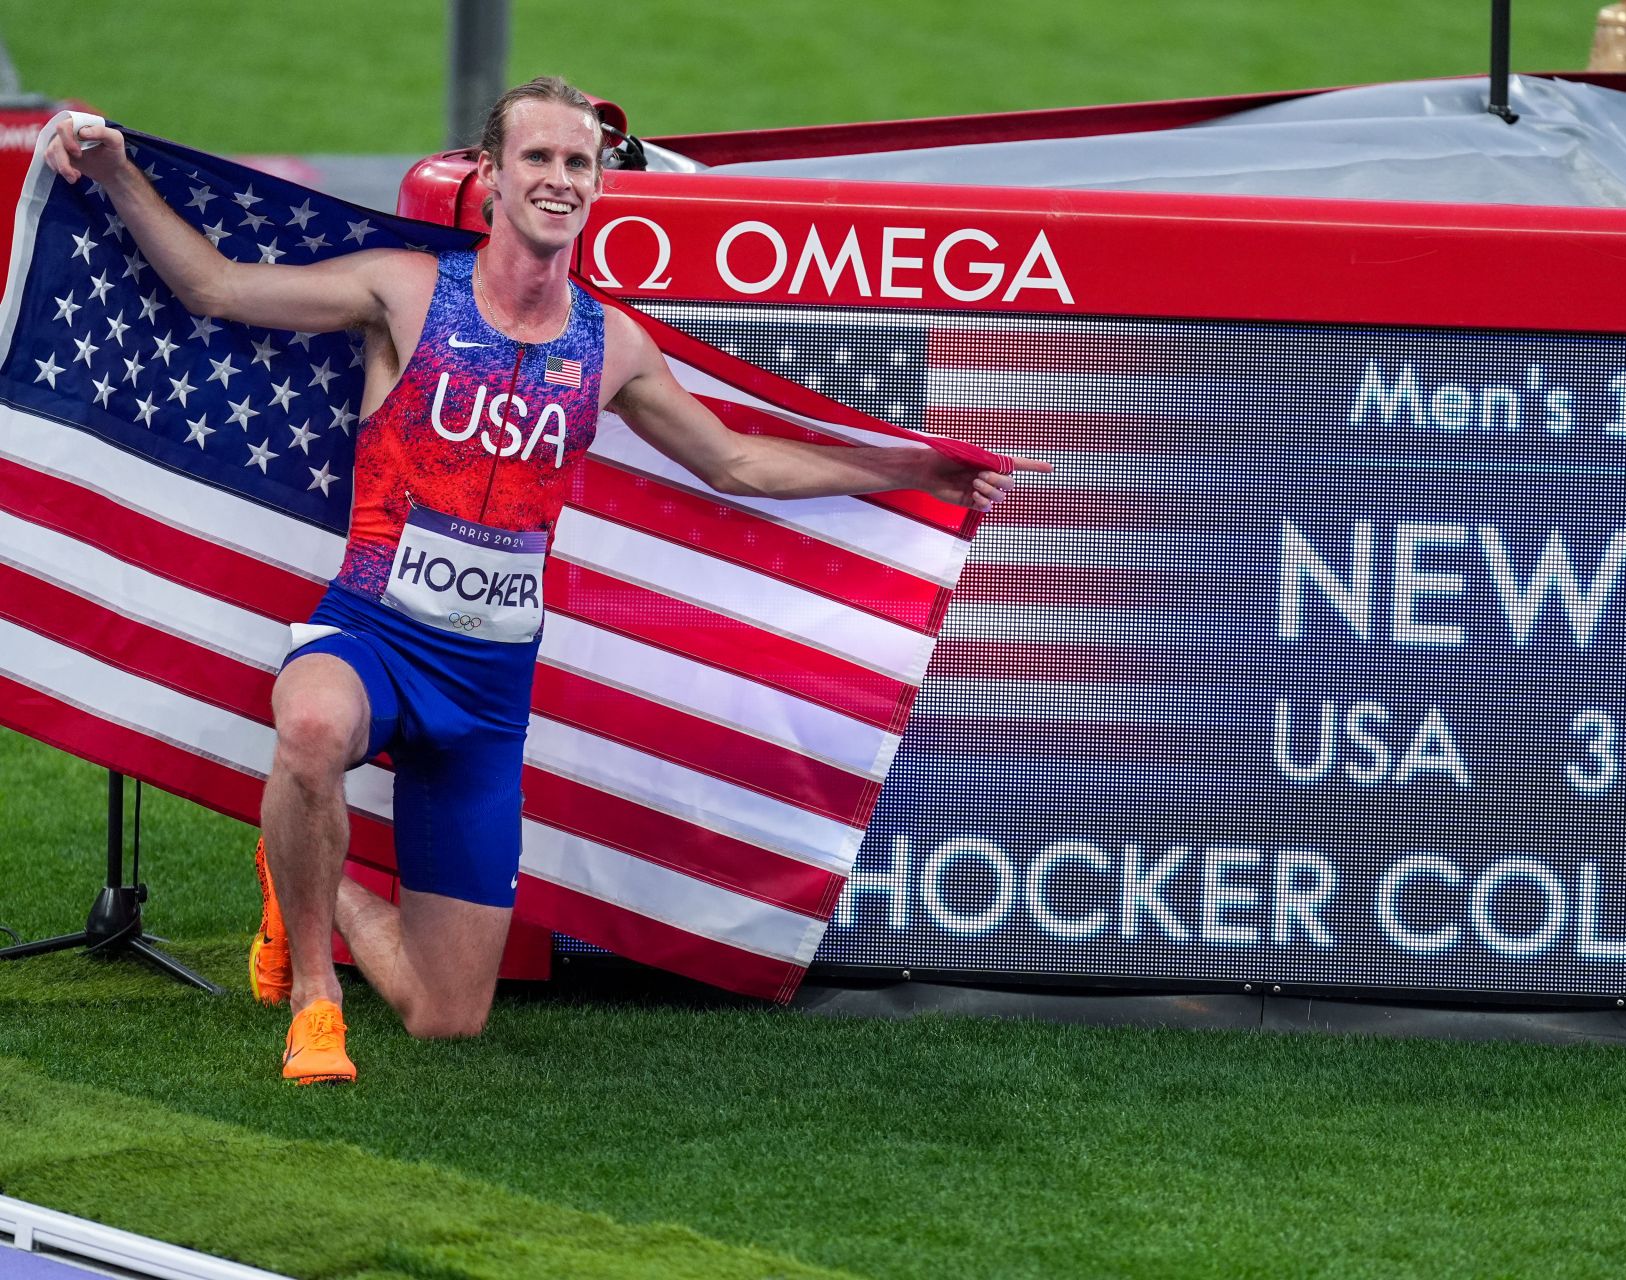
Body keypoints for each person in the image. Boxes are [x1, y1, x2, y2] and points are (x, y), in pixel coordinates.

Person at [46, 77, 1046, 1085]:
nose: (559, 178)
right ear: (490, 176)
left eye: (577, 162)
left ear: (600, 183)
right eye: (538, 157)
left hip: (485, 696)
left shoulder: (610, 343)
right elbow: (218, 287)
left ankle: (301, 872)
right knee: (308, 729)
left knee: (447, 1016)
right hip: (375, 635)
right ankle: (315, 996)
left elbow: (737, 463)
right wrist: (118, 168)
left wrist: (914, 466)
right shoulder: (404, 290)